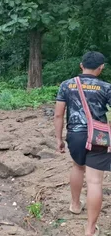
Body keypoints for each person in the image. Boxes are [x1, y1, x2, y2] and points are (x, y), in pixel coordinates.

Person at [55, 51, 111, 236]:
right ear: (101, 68)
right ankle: (90, 229)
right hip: (98, 136)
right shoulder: (106, 87)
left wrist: (58, 138)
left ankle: (75, 204)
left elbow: (58, 114)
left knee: (78, 167)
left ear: (81, 65)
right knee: (95, 182)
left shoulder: (67, 85)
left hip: (76, 135)